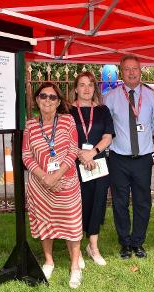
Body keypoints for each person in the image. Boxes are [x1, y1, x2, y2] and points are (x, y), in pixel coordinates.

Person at [22, 82, 83, 288]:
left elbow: (73, 150)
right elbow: (26, 154)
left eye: (52, 97)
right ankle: (49, 261)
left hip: (66, 183)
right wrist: (43, 177)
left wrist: (56, 176)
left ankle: (75, 267)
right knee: (45, 223)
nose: (47, 100)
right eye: (43, 96)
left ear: (58, 102)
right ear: (37, 99)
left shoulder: (68, 121)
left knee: (72, 225)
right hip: (40, 186)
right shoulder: (30, 124)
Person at [104, 54, 154, 259]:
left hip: (143, 158)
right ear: (121, 72)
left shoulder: (151, 96)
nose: (132, 72)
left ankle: (138, 242)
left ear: (141, 70)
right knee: (119, 202)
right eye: (127, 69)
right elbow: (108, 128)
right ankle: (125, 243)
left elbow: (153, 124)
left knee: (142, 201)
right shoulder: (110, 97)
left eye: (135, 68)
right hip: (118, 158)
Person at [69, 71, 115, 266]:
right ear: (76, 88)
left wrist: (92, 153)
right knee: (77, 206)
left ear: (94, 88)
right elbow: (65, 137)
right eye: (82, 84)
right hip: (73, 165)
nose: (86, 88)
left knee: (97, 204)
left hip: (98, 164)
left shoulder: (103, 110)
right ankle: (76, 250)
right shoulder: (67, 111)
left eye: (90, 85)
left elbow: (108, 136)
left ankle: (93, 247)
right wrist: (81, 154)